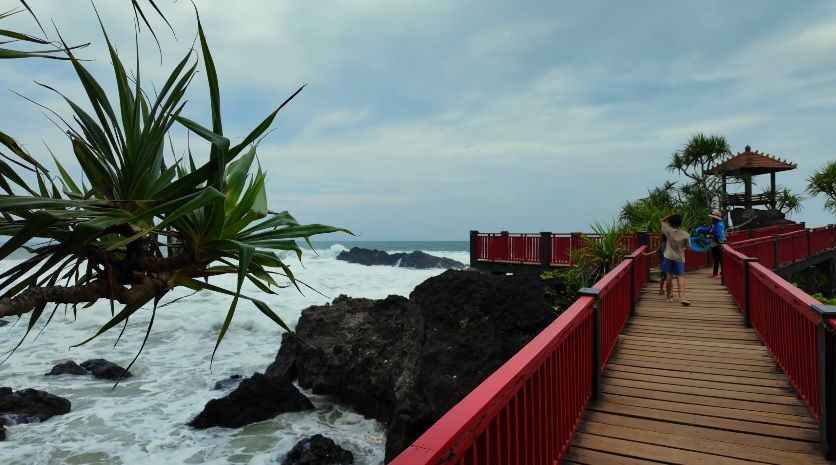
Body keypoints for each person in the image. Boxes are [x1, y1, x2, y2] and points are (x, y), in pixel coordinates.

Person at [660, 213, 691, 305]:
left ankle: (668, 297)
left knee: (669, 276)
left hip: (669, 256)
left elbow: (661, 221)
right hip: (680, 258)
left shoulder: (668, 231)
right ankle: (683, 297)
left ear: (671, 223)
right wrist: (682, 249)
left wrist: (670, 215)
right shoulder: (686, 235)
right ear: (680, 223)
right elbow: (688, 248)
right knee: (680, 276)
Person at [707, 209, 727, 278]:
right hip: (714, 243)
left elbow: (718, 234)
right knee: (715, 259)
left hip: (719, 243)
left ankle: (722, 274)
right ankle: (715, 273)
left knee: (720, 258)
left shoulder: (719, 224)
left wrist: (710, 236)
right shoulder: (713, 225)